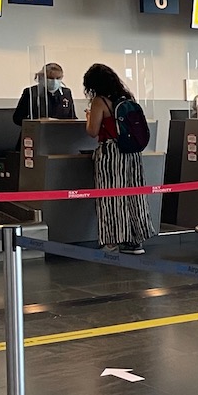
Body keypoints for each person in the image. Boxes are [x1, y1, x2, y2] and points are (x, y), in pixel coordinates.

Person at [82, 63, 153, 254]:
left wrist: (89, 117)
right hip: (132, 154)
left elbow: (92, 131)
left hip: (111, 154)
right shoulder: (127, 98)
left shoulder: (100, 102)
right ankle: (136, 241)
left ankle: (113, 241)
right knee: (135, 194)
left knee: (111, 196)